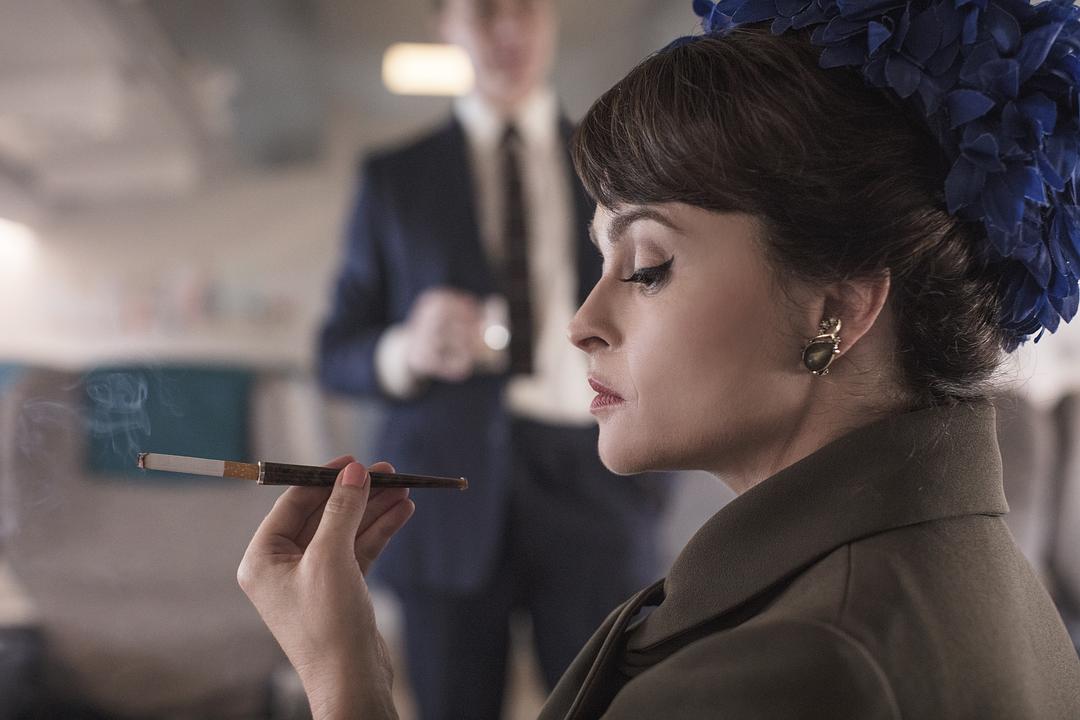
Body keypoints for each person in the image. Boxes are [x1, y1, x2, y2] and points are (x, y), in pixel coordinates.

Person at [245, 0, 1080, 717]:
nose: (582, 323)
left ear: (838, 306)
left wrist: (343, 683)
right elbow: (340, 346)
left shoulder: (785, 670)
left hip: (588, 497)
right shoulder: (985, 578)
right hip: (461, 503)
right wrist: (405, 348)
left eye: (646, 267)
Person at [316, 0, 665, 716]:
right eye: (483, 10)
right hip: (443, 493)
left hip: (596, 479)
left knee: (603, 708)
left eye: (525, 6)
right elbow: (335, 352)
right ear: (444, 24)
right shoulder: (395, 179)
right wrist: (406, 348)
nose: (508, 29)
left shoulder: (625, 168)